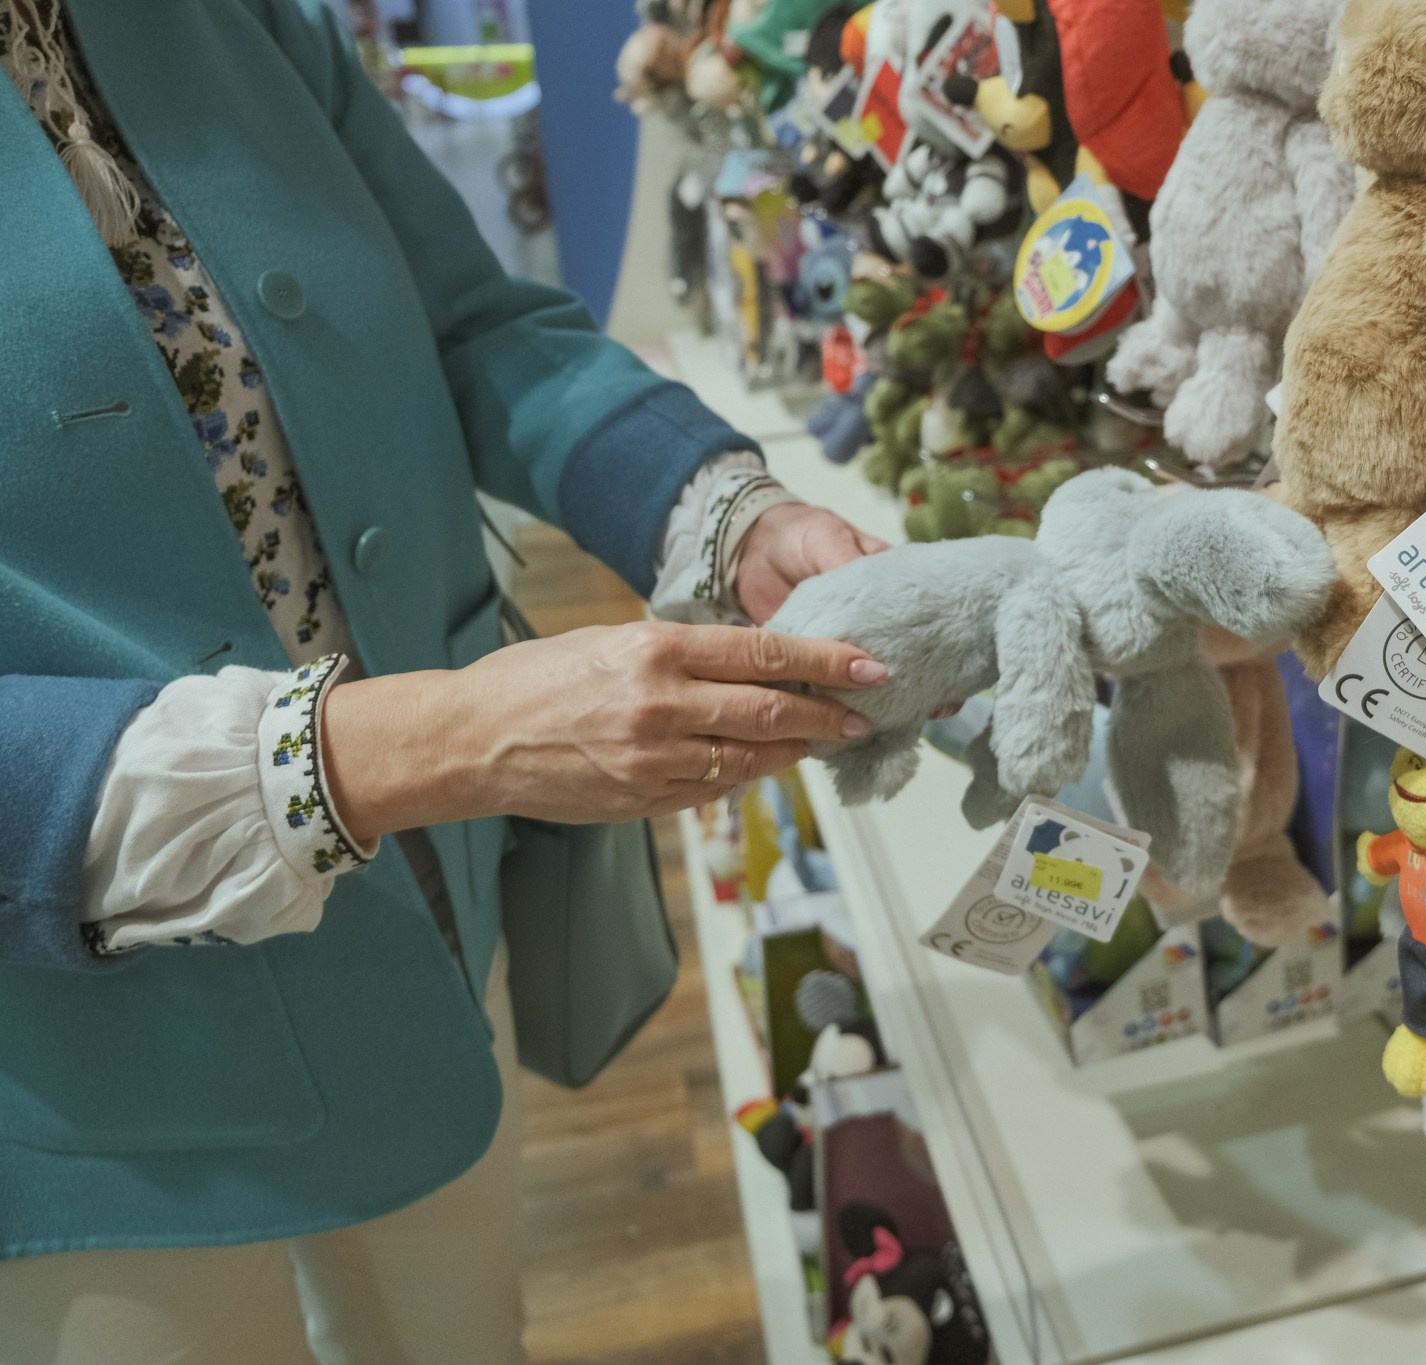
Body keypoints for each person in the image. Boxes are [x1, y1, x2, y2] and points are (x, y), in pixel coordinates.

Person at [0, 1, 888, 1360]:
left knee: (456, 1321)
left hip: (417, 916)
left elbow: (474, 323)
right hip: (94, 1089)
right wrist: (432, 740)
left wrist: (720, 508)